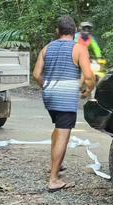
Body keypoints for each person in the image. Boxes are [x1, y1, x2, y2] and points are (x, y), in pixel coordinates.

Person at [33, 16, 96, 192]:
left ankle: (57, 165)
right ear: (74, 32)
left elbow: (37, 74)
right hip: (65, 98)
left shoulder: (47, 48)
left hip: (49, 96)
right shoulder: (79, 49)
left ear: (57, 32)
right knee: (63, 133)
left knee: (58, 129)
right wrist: (89, 89)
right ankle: (53, 179)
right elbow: (89, 76)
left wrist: (46, 87)